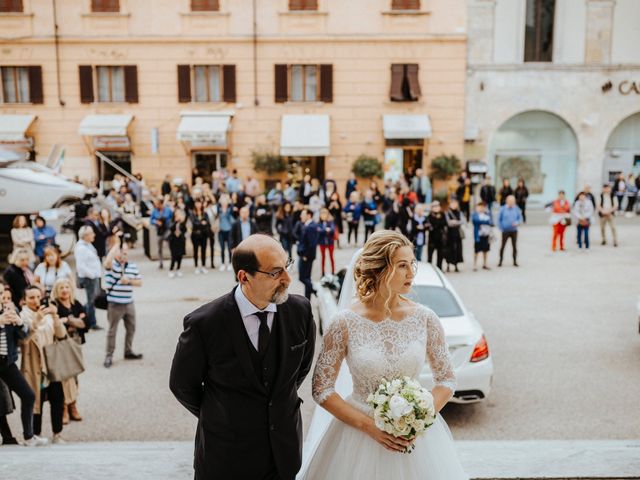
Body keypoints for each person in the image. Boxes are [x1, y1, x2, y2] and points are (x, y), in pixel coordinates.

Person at [299, 230, 466, 479]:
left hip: (417, 441)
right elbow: (322, 389)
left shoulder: (426, 318)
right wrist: (370, 427)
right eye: (402, 265)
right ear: (379, 269)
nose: (411, 273)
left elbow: (447, 380)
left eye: (412, 264)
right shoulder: (343, 322)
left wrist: (419, 416)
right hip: (357, 437)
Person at [170, 234, 316, 480]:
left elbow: (300, 369)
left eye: (287, 266)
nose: (287, 279)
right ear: (244, 276)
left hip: (283, 454)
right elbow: (182, 385)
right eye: (275, 273)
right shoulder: (204, 324)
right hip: (225, 457)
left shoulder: (300, 311)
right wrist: (222, 415)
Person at [20, 285, 66, 443]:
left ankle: (57, 434)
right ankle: (35, 434)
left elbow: (61, 335)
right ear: (23, 301)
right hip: (33, 365)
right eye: (31, 298)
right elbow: (23, 340)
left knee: (57, 398)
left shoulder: (48, 315)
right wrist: (36, 319)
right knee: (35, 400)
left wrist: (54, 316)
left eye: (38, 297)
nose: (35, 301)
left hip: (51, 363)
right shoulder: (22, 317)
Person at [0, 284, 43, 446]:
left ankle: (28, 436)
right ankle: (7, 437)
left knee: (28, 395)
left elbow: (24, 336)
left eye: (1, 293)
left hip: (7, 362)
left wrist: (19, 322)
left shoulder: (10, 311)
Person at [51, 278, 86, 424]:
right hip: (61, 344)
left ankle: (73, 405)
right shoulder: (54, 305)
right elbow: (56, 324)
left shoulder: (75, 304)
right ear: (56, 291)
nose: (65, 290)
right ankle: (64, 407)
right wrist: (74, 320)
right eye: (61, 288)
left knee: (75, 376)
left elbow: (85, 323)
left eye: (67, 287)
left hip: (75, 344)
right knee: (64, 377)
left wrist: (68, 320)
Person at [102, 244, 143, 368]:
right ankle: (109, 355)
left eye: (125, 253)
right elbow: (107, 262)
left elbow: (140, 282)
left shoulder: (132, 266)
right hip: (115, 304)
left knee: (131, 328)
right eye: (120, 253)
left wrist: (129, 281)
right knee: (112, 330)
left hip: (129, 303)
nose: (123, 256)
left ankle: (128, 351)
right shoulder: (112, 266)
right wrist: (116, 244)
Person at [74, 226, 103, 330]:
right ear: (85, 236)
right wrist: (92, 275)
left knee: (92, 300)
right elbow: (80, 266)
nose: (93, 235)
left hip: (94, 276)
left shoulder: (88, 245)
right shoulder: (81, 248)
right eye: (91, 233)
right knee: (91, 301)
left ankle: (86, 318)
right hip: (89, 278)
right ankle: (91, 322)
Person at [297, 209, 319, 300]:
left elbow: (312, 243)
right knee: (307, 277)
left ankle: (314, 290)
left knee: (302, 277)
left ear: (309, 215)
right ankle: (307, 299)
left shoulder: (310, 227)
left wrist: (305, 255)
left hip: (306, 256)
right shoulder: (308, 225)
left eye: (303, 214)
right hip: (306, 255)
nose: (301, 216)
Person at [497, 195, 522, 267]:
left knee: (514, 246)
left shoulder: (516, 208)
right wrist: (501, 228)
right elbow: (499, 219)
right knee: (502, 246)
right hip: (505, 231)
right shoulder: (503, 209)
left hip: (514, 231)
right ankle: (500, 261)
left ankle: (515, 261)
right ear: (507, 201)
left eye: (513, 201)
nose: (511, 202)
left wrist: (517, 223)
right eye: (510, 201)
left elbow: (520, 218)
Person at [150, 198, 173, 269]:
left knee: (170, 246)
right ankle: (161, 263)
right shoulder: (154, 211)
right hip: (159, 231)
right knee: (159, 248)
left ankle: (172, 261)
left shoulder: (168, 210)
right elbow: (151, 220)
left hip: (167, 230)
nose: (156, 206)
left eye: (157, 204)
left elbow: (172, 218)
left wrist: (169, 222)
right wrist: (156, 222)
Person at [189, 199, 210, 275]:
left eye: (199, 203)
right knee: (195, 250)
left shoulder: (205, 213)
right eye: (196, 203)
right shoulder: (192, 213)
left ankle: (203, 266)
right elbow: (194, 223)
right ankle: (196, 266)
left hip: (204, 235)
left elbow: (207, 222)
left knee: (203, 250)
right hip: (195, 235)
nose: (198, 205)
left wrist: (200, 223)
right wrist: (202, 223)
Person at [425, 201, 447, 270]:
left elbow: (444, 223)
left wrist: (436, 224)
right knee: (430, 255)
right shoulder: (429, 216)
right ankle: (429, 269)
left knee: (440, 255)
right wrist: (436, 222)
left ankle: (439, 268)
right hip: (432, 238)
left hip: (440, 238)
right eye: (434, 206)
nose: (436, 208)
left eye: (437, 206)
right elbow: (429, 226)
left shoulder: (442, 214)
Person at [445, 199, 465, 272]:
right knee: (449, 249)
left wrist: (455, 222)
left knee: (457, 249)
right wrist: (456, 222)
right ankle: (448, 265)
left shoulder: (459, 212)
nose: (454, 205)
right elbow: (448, 223)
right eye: (452, 203)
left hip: (457, 234)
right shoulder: (447, 213)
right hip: (449, 234)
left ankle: (456, 265)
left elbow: (463, 221)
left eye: (455, 204)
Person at [472, 202, 492, 271]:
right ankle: (474, 264)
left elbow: (490, 222)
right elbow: (475, 221)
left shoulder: (487, 214)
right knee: (476, 250)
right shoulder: (475, 214)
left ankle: (485, 264)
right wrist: (484, 221)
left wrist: (483, 221)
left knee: (485, 250)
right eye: (480, 207)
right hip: (478, 235)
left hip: (486, 235)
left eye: (483, 207)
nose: (481, 208)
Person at [217, 194, 235, 272]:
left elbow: (232, 205)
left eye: (225, 201)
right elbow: (217, 204)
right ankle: (222, 263)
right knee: (222, 248)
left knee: (229, 248)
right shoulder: (219, 209)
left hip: (229, 231)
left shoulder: (230, 209)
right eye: (222, 201)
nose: (224, 202)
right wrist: (221, 198)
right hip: (221, 231)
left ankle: (230, 263)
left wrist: (228, 199)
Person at [168, 210, 187, 278]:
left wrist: (182, 222)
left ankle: (178, 269)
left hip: (180, 240)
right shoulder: (172, 221)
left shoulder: (182, 222)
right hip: (173, 240)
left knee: (180, 255)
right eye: (177, 214)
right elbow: (171, 228)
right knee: (174, 256)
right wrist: (175, 221)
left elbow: (185, 230)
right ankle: (171, 269)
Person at [318, 208, 336, 276]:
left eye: (325, 214)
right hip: (322, 243)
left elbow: (332, 230)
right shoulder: (319, 223)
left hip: (330, 242)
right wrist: (326, 230)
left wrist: (324, 230)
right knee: (323, 258)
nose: (323, 216)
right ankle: (323, 273)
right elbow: (319, 231)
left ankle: (333, 272)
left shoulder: (330, 222)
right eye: (322, 214)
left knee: (331, 257)